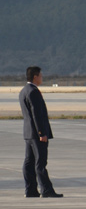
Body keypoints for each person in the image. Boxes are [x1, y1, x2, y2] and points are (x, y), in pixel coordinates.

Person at [19, 66, 62, 198]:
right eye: (41, 76)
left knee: (29, 162)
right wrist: (41, 133)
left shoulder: (23, 91)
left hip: (28, 133)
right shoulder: (33, 92)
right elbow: (36, 114)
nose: (42, 78)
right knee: (40, 163)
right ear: (35, 77)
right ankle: (46, 190)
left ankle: (30, 190)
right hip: (36, 134)